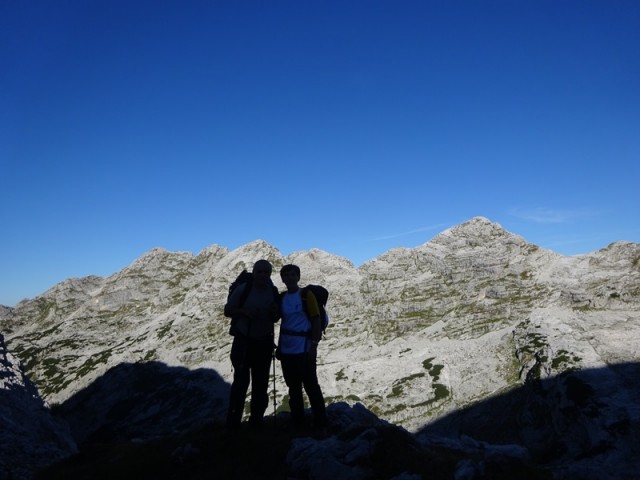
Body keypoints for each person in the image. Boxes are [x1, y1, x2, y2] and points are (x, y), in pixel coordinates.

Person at [224, 259, 279, 430]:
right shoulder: (244, 289)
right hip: (244, 341)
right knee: (240, 384)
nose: (263, 275)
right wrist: (244, 312)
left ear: (269, 274)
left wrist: (274, 313)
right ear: (254, 273)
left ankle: (256, 421)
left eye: (266, 272)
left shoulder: (272, 291)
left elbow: (276, 316)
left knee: (261, 385)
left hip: (263, 343)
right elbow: (227, 310)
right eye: (259, 272)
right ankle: (233, 425)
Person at [277, 264, 327, 430]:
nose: (290, 278)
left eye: (293, 275)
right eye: (286, 275)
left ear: (298, 277)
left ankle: (321, 422)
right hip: (286, 351)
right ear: (282, 278)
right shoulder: (282, 298)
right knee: (293, 388)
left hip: (304, 349)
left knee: (311, 386)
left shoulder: (306, 295)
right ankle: (298, 421)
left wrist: (314, 346)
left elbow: (316, 320)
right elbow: (281, 321)